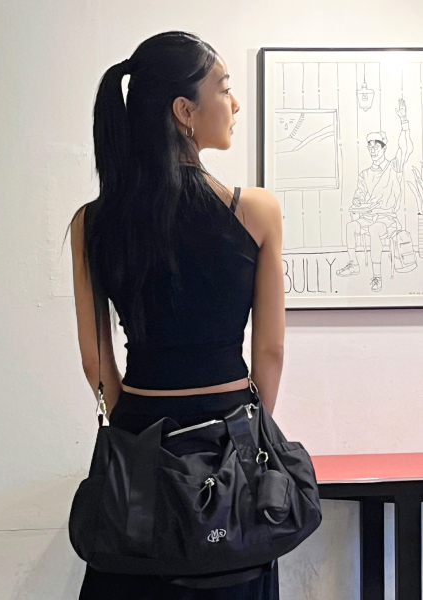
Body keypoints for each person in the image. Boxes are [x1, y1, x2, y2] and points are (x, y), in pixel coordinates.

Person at [67, 31, 285, 600]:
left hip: (140, 433)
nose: (234, 104)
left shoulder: (93, 222)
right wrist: (247, 433)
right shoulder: (256, 210)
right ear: (185, 111)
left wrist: (135, 425)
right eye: (225, 88)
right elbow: (270, 351)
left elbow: (95, 360)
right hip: (232, 434)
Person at [336, 99, 413, 292]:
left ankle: (376, 276)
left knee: (375, 229)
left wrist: (404, 121)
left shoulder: (394, 167)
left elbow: (405, 148)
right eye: (369, 146)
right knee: (351, 226)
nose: (372, 150)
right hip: (369, 217)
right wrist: (361, 206)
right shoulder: (365, 174)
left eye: (375, 146)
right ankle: (354, 264)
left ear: (384, 148)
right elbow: (357, 199)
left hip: (387, 220)